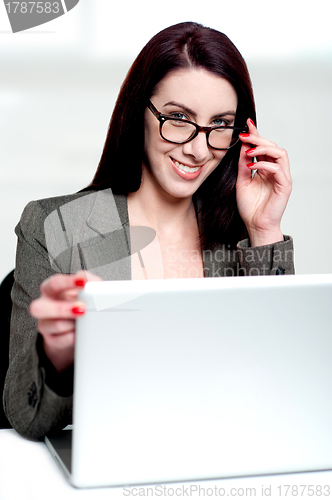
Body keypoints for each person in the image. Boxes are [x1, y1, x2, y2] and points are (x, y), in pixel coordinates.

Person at [3, 22, 294, 440]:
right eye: (178, 118)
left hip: (222, 455)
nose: (198, 148)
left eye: (220, 125)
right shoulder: (55, 226)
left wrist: (265, 229)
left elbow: (285, 385)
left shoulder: (241, 237)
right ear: (139, 110)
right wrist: (59, 355)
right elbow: (25, 418)